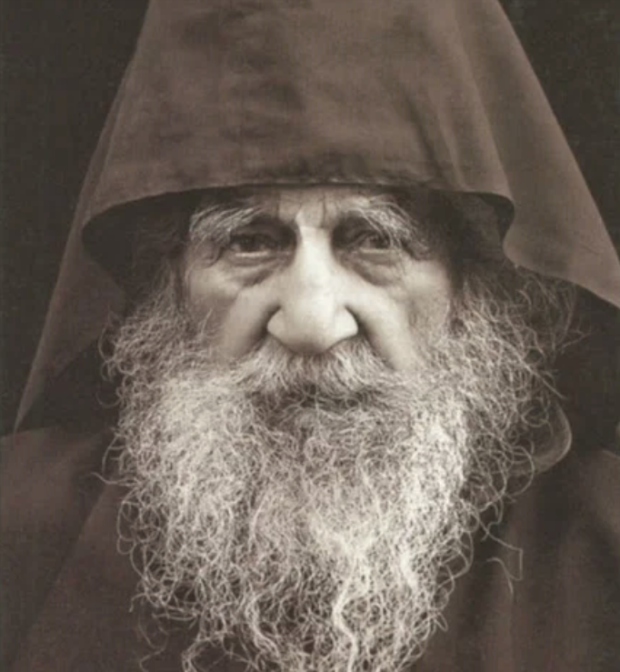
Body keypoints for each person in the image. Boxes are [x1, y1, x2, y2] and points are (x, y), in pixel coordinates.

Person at [2, 1, 620, 671]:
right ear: (167, 289)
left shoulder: (603, 550)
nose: (311, 325)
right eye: (250, 242)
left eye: (375, 239)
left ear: (473, 289)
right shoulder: (18, 526)